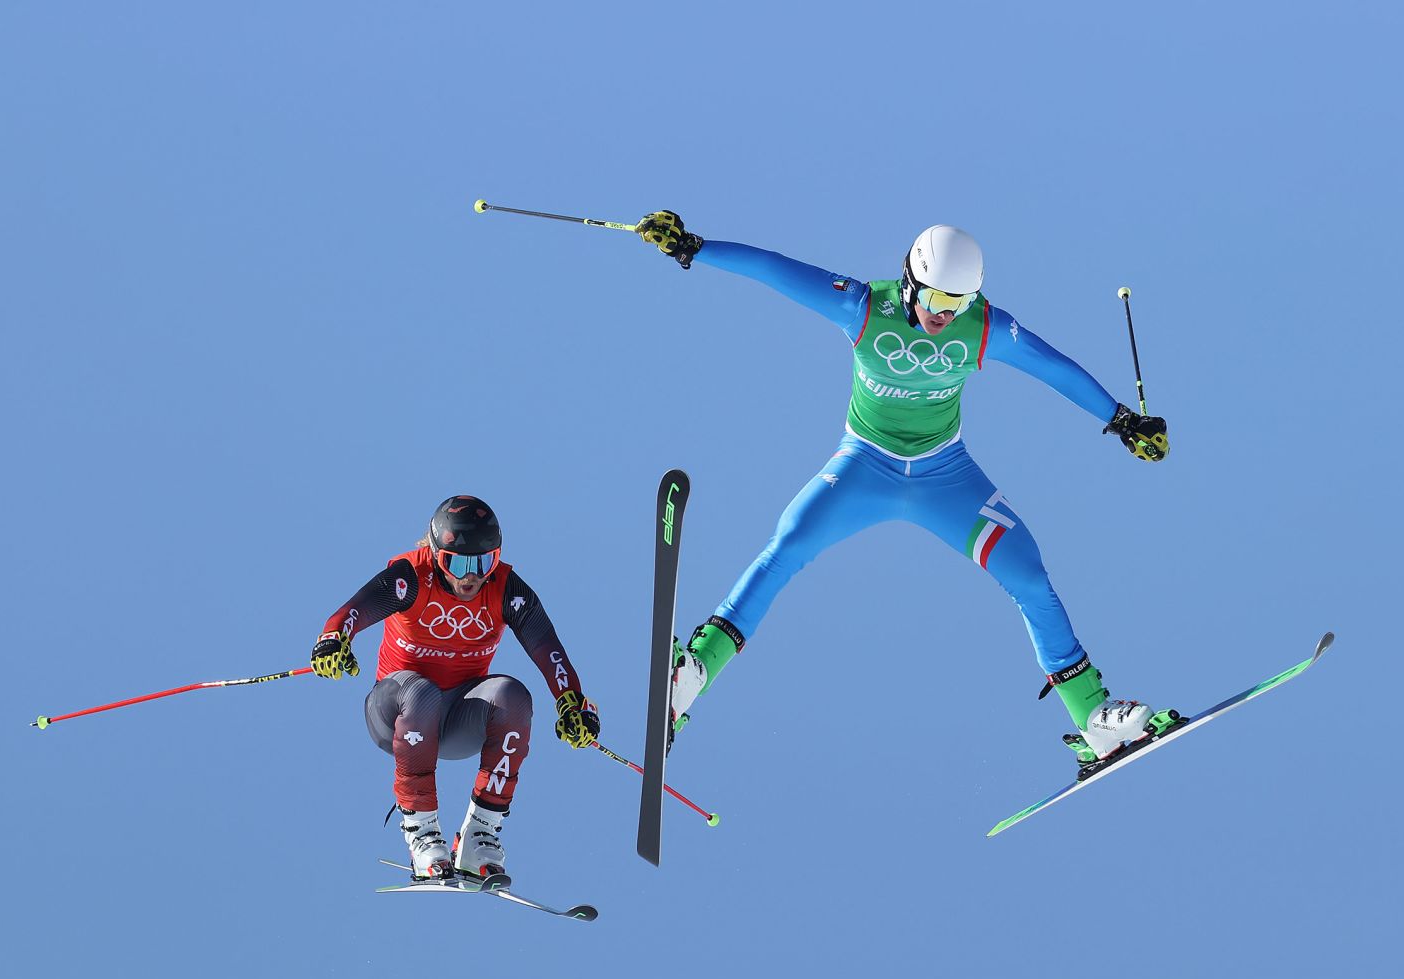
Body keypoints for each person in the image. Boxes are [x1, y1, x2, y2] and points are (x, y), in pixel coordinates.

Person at [633, 212, 1171, 770]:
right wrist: (694, 247)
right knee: (787, 546)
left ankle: (1092, 717)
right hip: (865, 466)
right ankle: (691, 674)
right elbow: (778, 271)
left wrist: (1122, 420)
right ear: (911, 281)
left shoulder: (984, 327)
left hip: (947, 476)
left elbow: (1051, 366)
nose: (944, 314)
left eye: (958, 303)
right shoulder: (864, 307)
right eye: (937, 297)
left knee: (1030, 575)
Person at [310, 495, 599, 880]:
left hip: (457, 721)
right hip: (396, 711)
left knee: (513, 697)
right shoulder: (411, 577)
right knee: (422, 692)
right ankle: (423, 832)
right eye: (457, 562)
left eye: (484, 562)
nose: (470, 576)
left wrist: (572, 703)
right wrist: (334, 638)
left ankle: (481, 833)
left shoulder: (506, 589)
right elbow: (352, 611)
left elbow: (548, 648)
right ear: (435, 554)